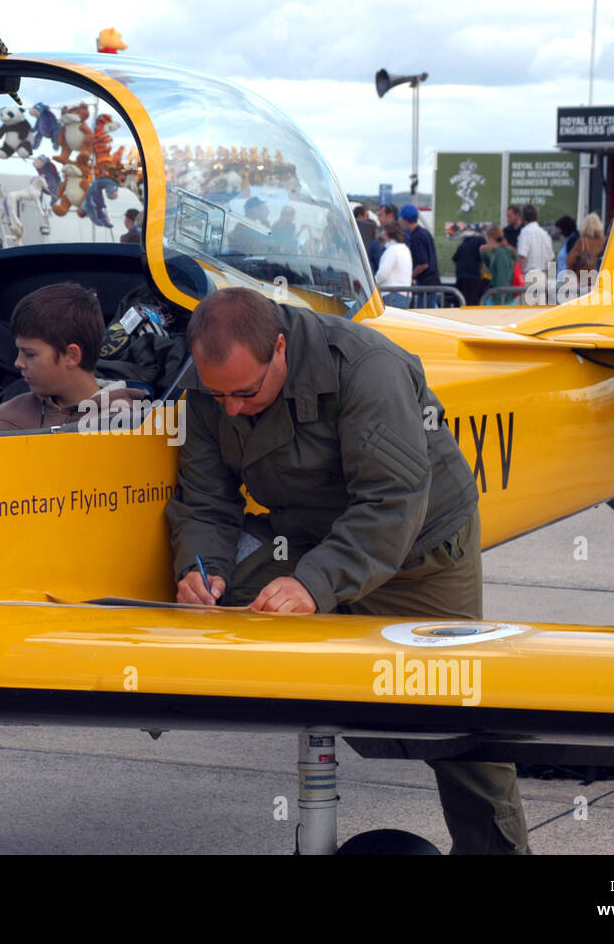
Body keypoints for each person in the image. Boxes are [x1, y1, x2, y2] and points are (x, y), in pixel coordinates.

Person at [167, 288, 530, 854]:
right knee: (216, 603)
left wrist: (314, 585)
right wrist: (203, 569)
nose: (230, 408)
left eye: (244, 392)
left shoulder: (368, 367)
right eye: (219, 395)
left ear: (281, 348)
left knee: (458, 717)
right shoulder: (208, 385)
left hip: (418, 552)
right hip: (306, 537)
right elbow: (206, 501)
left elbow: (392, 502)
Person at [0, 282, 148, 432]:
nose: (18, 363)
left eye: (29, 354)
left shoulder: (129, 425)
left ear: (71, 355)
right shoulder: (3, 418)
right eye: (19, 352)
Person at [400, 204, 439, 308]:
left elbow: (423, 264)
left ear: (405, 219)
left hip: (425, 283)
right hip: (433, 280)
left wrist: (410, 276)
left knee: (425, 313)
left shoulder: (416, 237)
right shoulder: (425, 232)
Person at [515, 204, 554, 303]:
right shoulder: (545, 234)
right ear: (537, 217)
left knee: (527, 313)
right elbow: (551, 260)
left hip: (529, 277)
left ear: (523, 218)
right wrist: (551, 281)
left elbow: (522, 257)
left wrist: (519, 277)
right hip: (543, 276)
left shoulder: (525, 232)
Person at [565, 213, 606, 294]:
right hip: (601, 280)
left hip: (584, 281)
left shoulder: (582, 242)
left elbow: (570, 261)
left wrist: (573, 277)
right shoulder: (605, 242)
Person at [375, 221, 412, 307]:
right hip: (404, 295)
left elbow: (383, 274)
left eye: (384, 232)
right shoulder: (405, 249)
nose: (383, 235)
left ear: (388, 234)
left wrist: (372, 282)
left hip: (392, 295)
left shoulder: (391, 250)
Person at [480, 226, 516, 304]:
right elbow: (493, 268)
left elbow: (502, 277)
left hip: (501, 299)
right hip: (501, 297)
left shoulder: (501, 253)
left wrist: (499, 300)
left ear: (490, 238)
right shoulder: (498, 252)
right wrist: (484, 254)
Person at [451, 225, 485, 306]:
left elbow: (454, 259)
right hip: (473, 276)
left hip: (461, 276)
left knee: (461, 301)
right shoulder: (480, 241)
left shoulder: (462, 245)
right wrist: (480, 271)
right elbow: (481, 259)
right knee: (472, 302)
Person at [355, 205, 382, 272]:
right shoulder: (372, 242)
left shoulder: (352, 236)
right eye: (366, 216)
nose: (368, 218)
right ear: (359, 217)